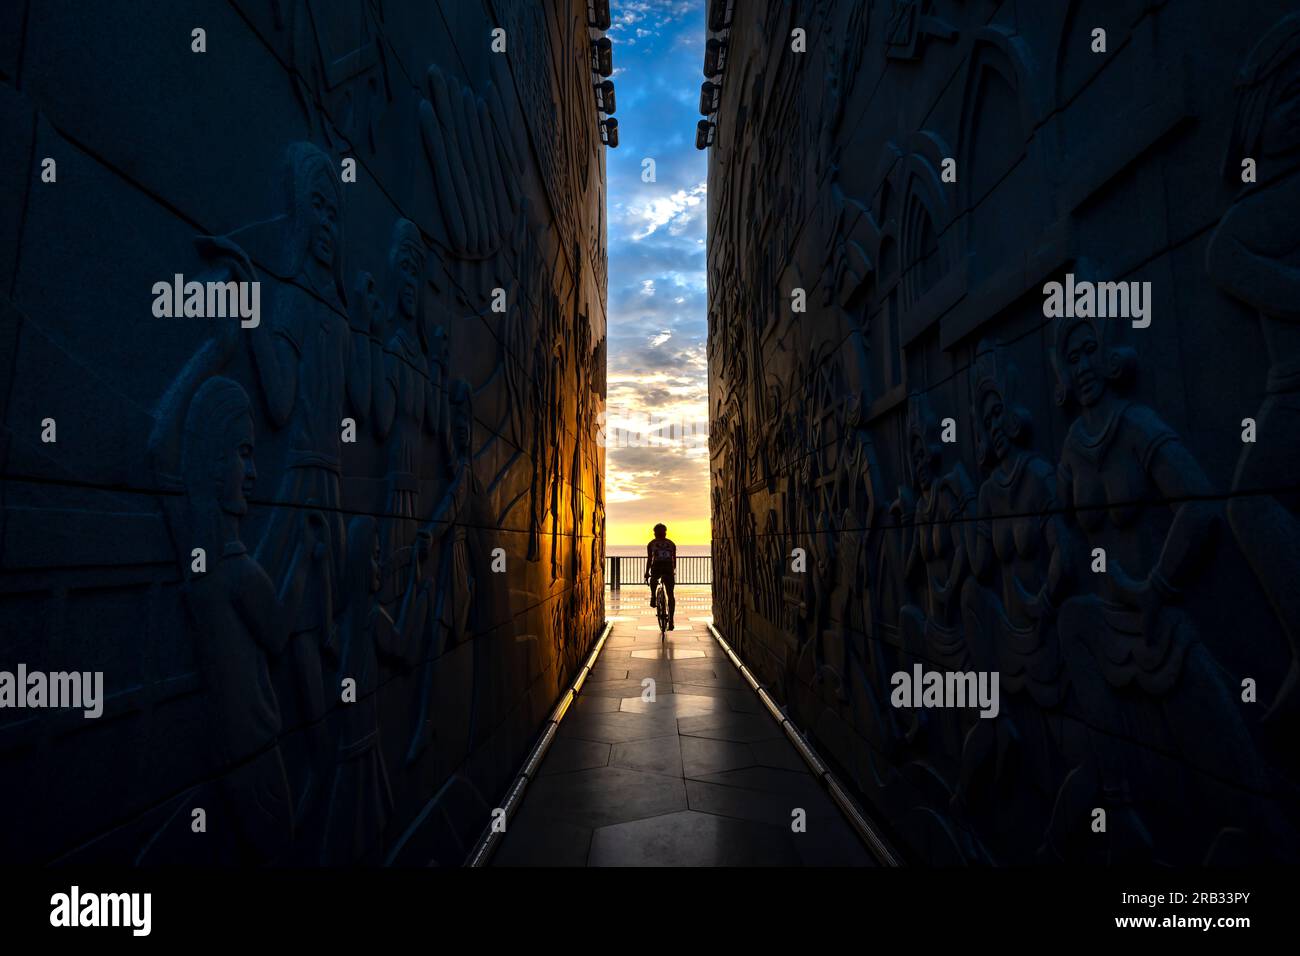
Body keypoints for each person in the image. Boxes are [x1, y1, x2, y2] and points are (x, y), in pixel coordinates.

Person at [644, 523, 677, 629]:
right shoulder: (671, 543)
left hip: (656, 567)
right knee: (670, 594)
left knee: (653, 579)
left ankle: (653, 596)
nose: (654, 534)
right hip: (668, 568)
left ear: (657, 532)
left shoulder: (651, 544)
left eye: (655, 532)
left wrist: (646, 573)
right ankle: (671, 620)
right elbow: (674, 560)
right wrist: (672, 570)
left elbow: (650, 559)